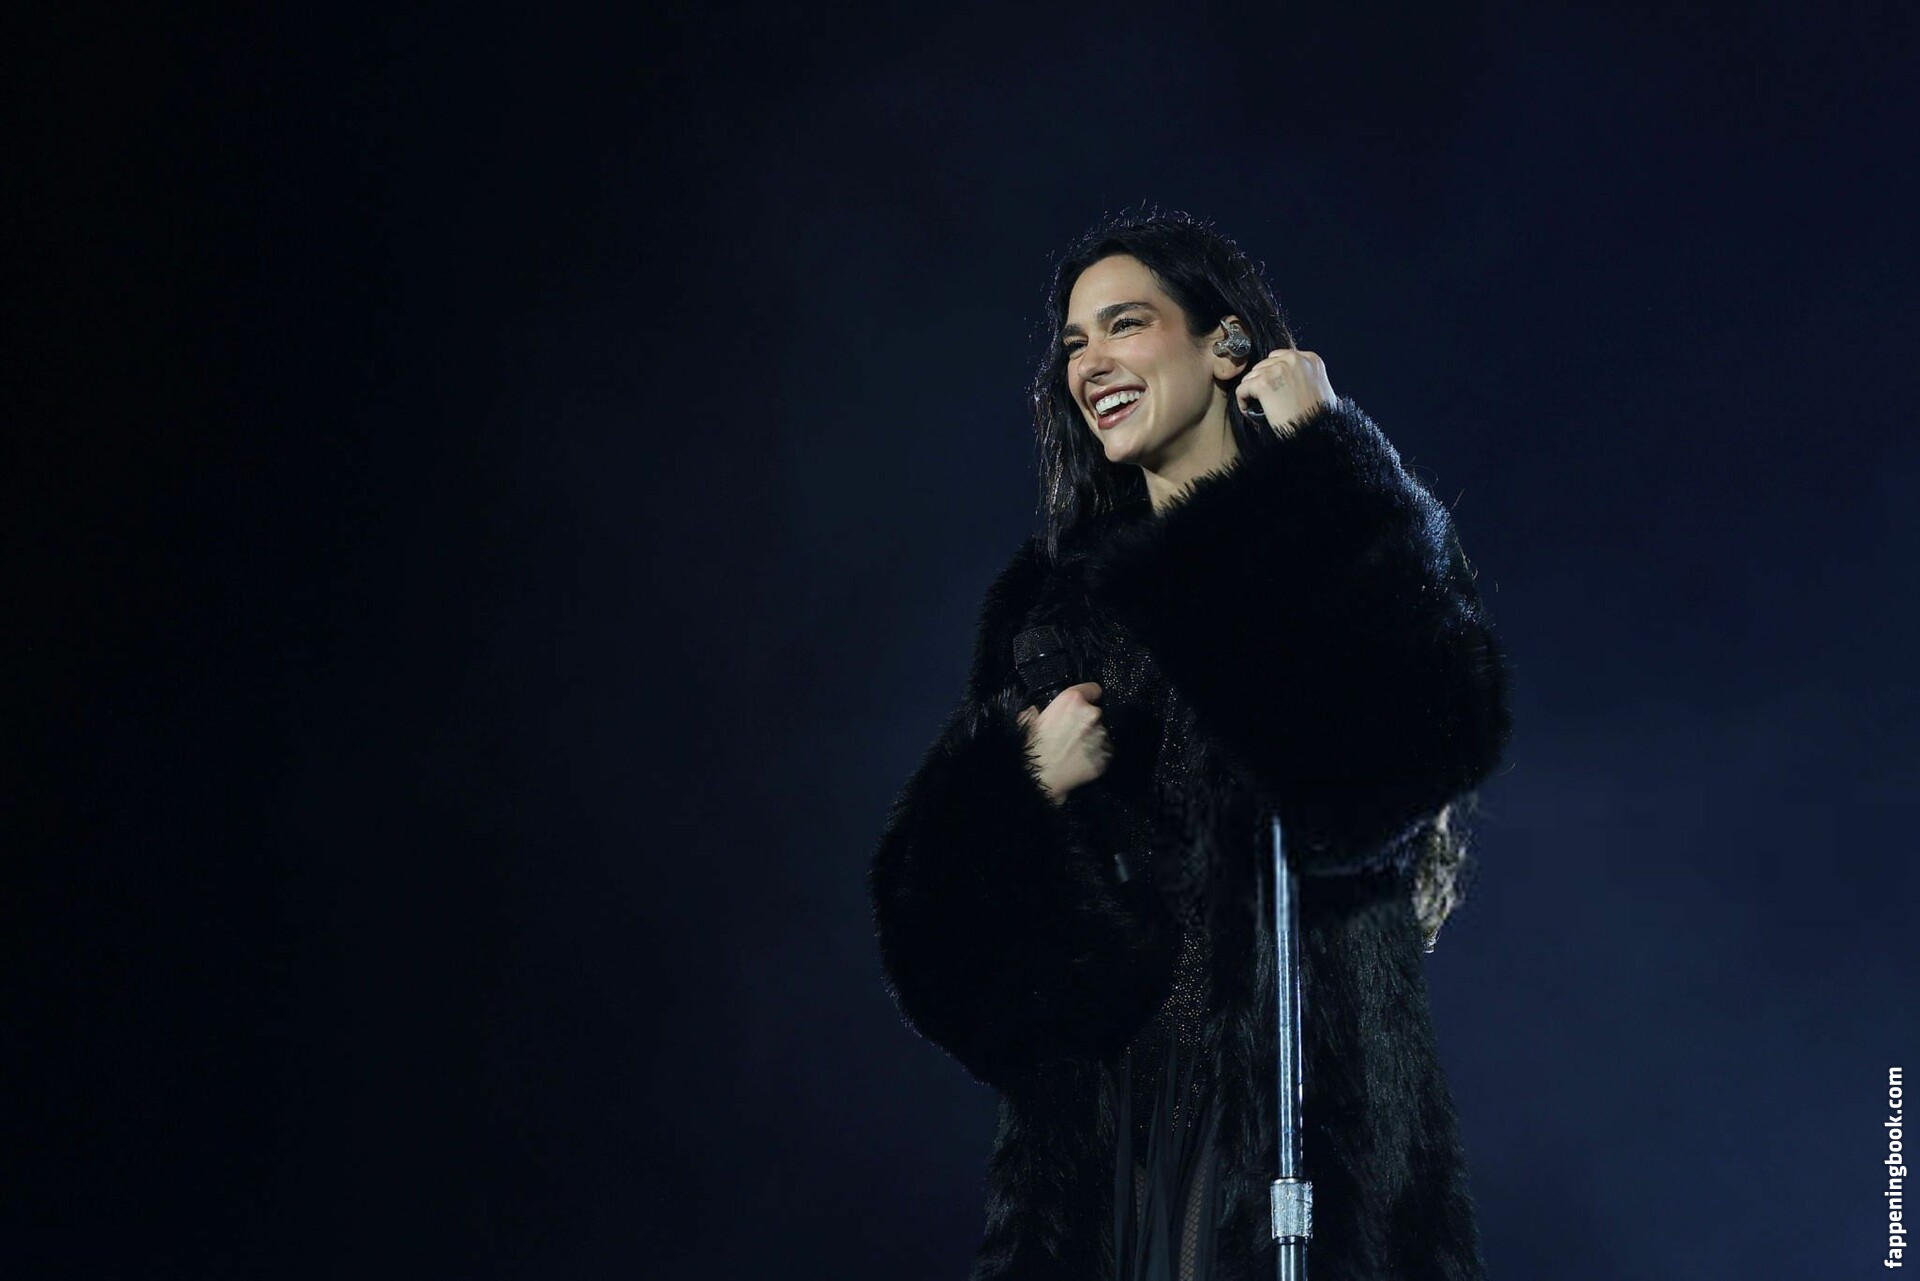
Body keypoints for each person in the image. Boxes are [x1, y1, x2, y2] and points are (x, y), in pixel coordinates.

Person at [867, 208, 1515, 1281]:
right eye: (1074, 342)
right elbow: (942, 962)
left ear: (1226, 346)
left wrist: (1325, 452)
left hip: (1305, 1132)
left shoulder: (1328, 548)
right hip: (1108, 1157)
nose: (1090, 364)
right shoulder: (1055, 614)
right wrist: (1018, 789)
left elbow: (1413, 744)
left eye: (1125, 324)